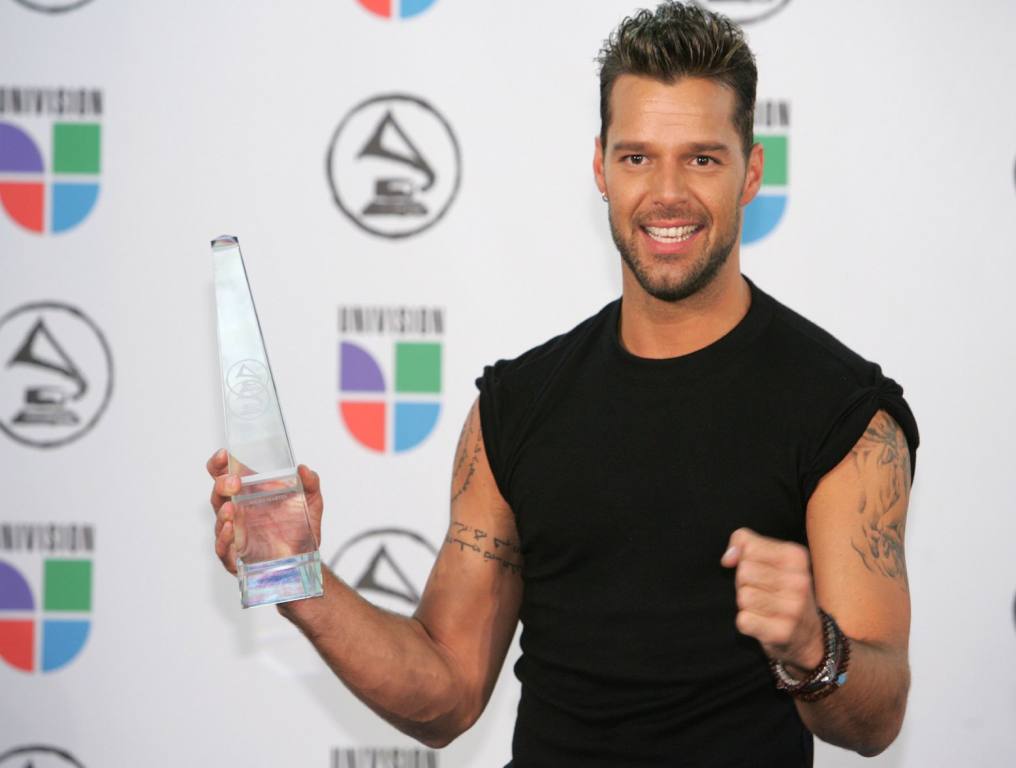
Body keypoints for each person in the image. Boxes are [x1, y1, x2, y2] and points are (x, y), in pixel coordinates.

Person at [207, 3, 918, 765]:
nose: (667, 192)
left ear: (752, 173)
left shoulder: (844, 414)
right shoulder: (517, 406)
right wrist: (296, 578)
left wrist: (813, 644)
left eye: (702, 159)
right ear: (600, 169)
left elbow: (875, 721)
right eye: (637, 157)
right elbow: (446, 691)